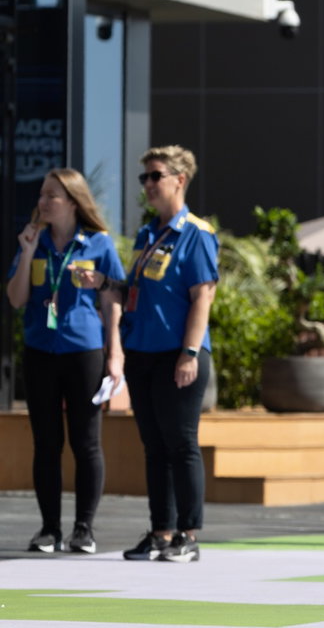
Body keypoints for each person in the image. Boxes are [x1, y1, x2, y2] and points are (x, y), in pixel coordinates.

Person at [6, 169, 126, 553]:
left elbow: (115, 300)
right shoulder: (33, 242)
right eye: (42, 195)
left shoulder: (98, 244)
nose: (42, 202)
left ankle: (83, 529)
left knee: (86, 442)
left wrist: (115, 353)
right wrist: (26, 254)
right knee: (46, 442)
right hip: (41, 350)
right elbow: (15, 298)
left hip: (83, 351)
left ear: (73, 202)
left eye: (52, 196)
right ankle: (49, 529)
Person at [118, 146, 219, 564]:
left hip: (178, 353)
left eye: (155, 176)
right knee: (154, 445)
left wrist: (189, 352)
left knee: (181, 443)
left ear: (179, 180)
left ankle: (188, 534)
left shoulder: (196, 232)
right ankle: (161, 531)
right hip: (142, 351)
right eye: (144, 178)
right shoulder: (147, 234)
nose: (148, 185)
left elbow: (203, 297)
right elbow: (134, 292)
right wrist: (103, 283)